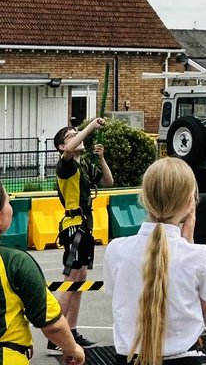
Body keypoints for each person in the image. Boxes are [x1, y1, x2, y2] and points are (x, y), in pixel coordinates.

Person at [104, 157, 206, 365]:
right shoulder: (201, 255)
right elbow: (204, 306)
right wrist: (188, 241)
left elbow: (118, 297)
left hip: (129, 358)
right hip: (183, 357)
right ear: (190, 202)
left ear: (144, 199)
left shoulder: (116, 250)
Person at [0, 181, 85, 365]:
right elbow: (52, 324)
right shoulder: (15, 262)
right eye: (8, 202)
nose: (10, 206)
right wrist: (73, 349)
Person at [49, 117, 114, 353]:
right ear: (61, 146)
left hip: (85, 226)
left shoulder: (84, 166)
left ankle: (71, 330)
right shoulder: (65, 164)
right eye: (70, 134)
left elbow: (108, 181)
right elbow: (69, 149)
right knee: (72, 277)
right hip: (73, 226)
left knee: (81, 277)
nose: (76, 135)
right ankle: (53, 331)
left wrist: (102, 158)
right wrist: (90, 127)